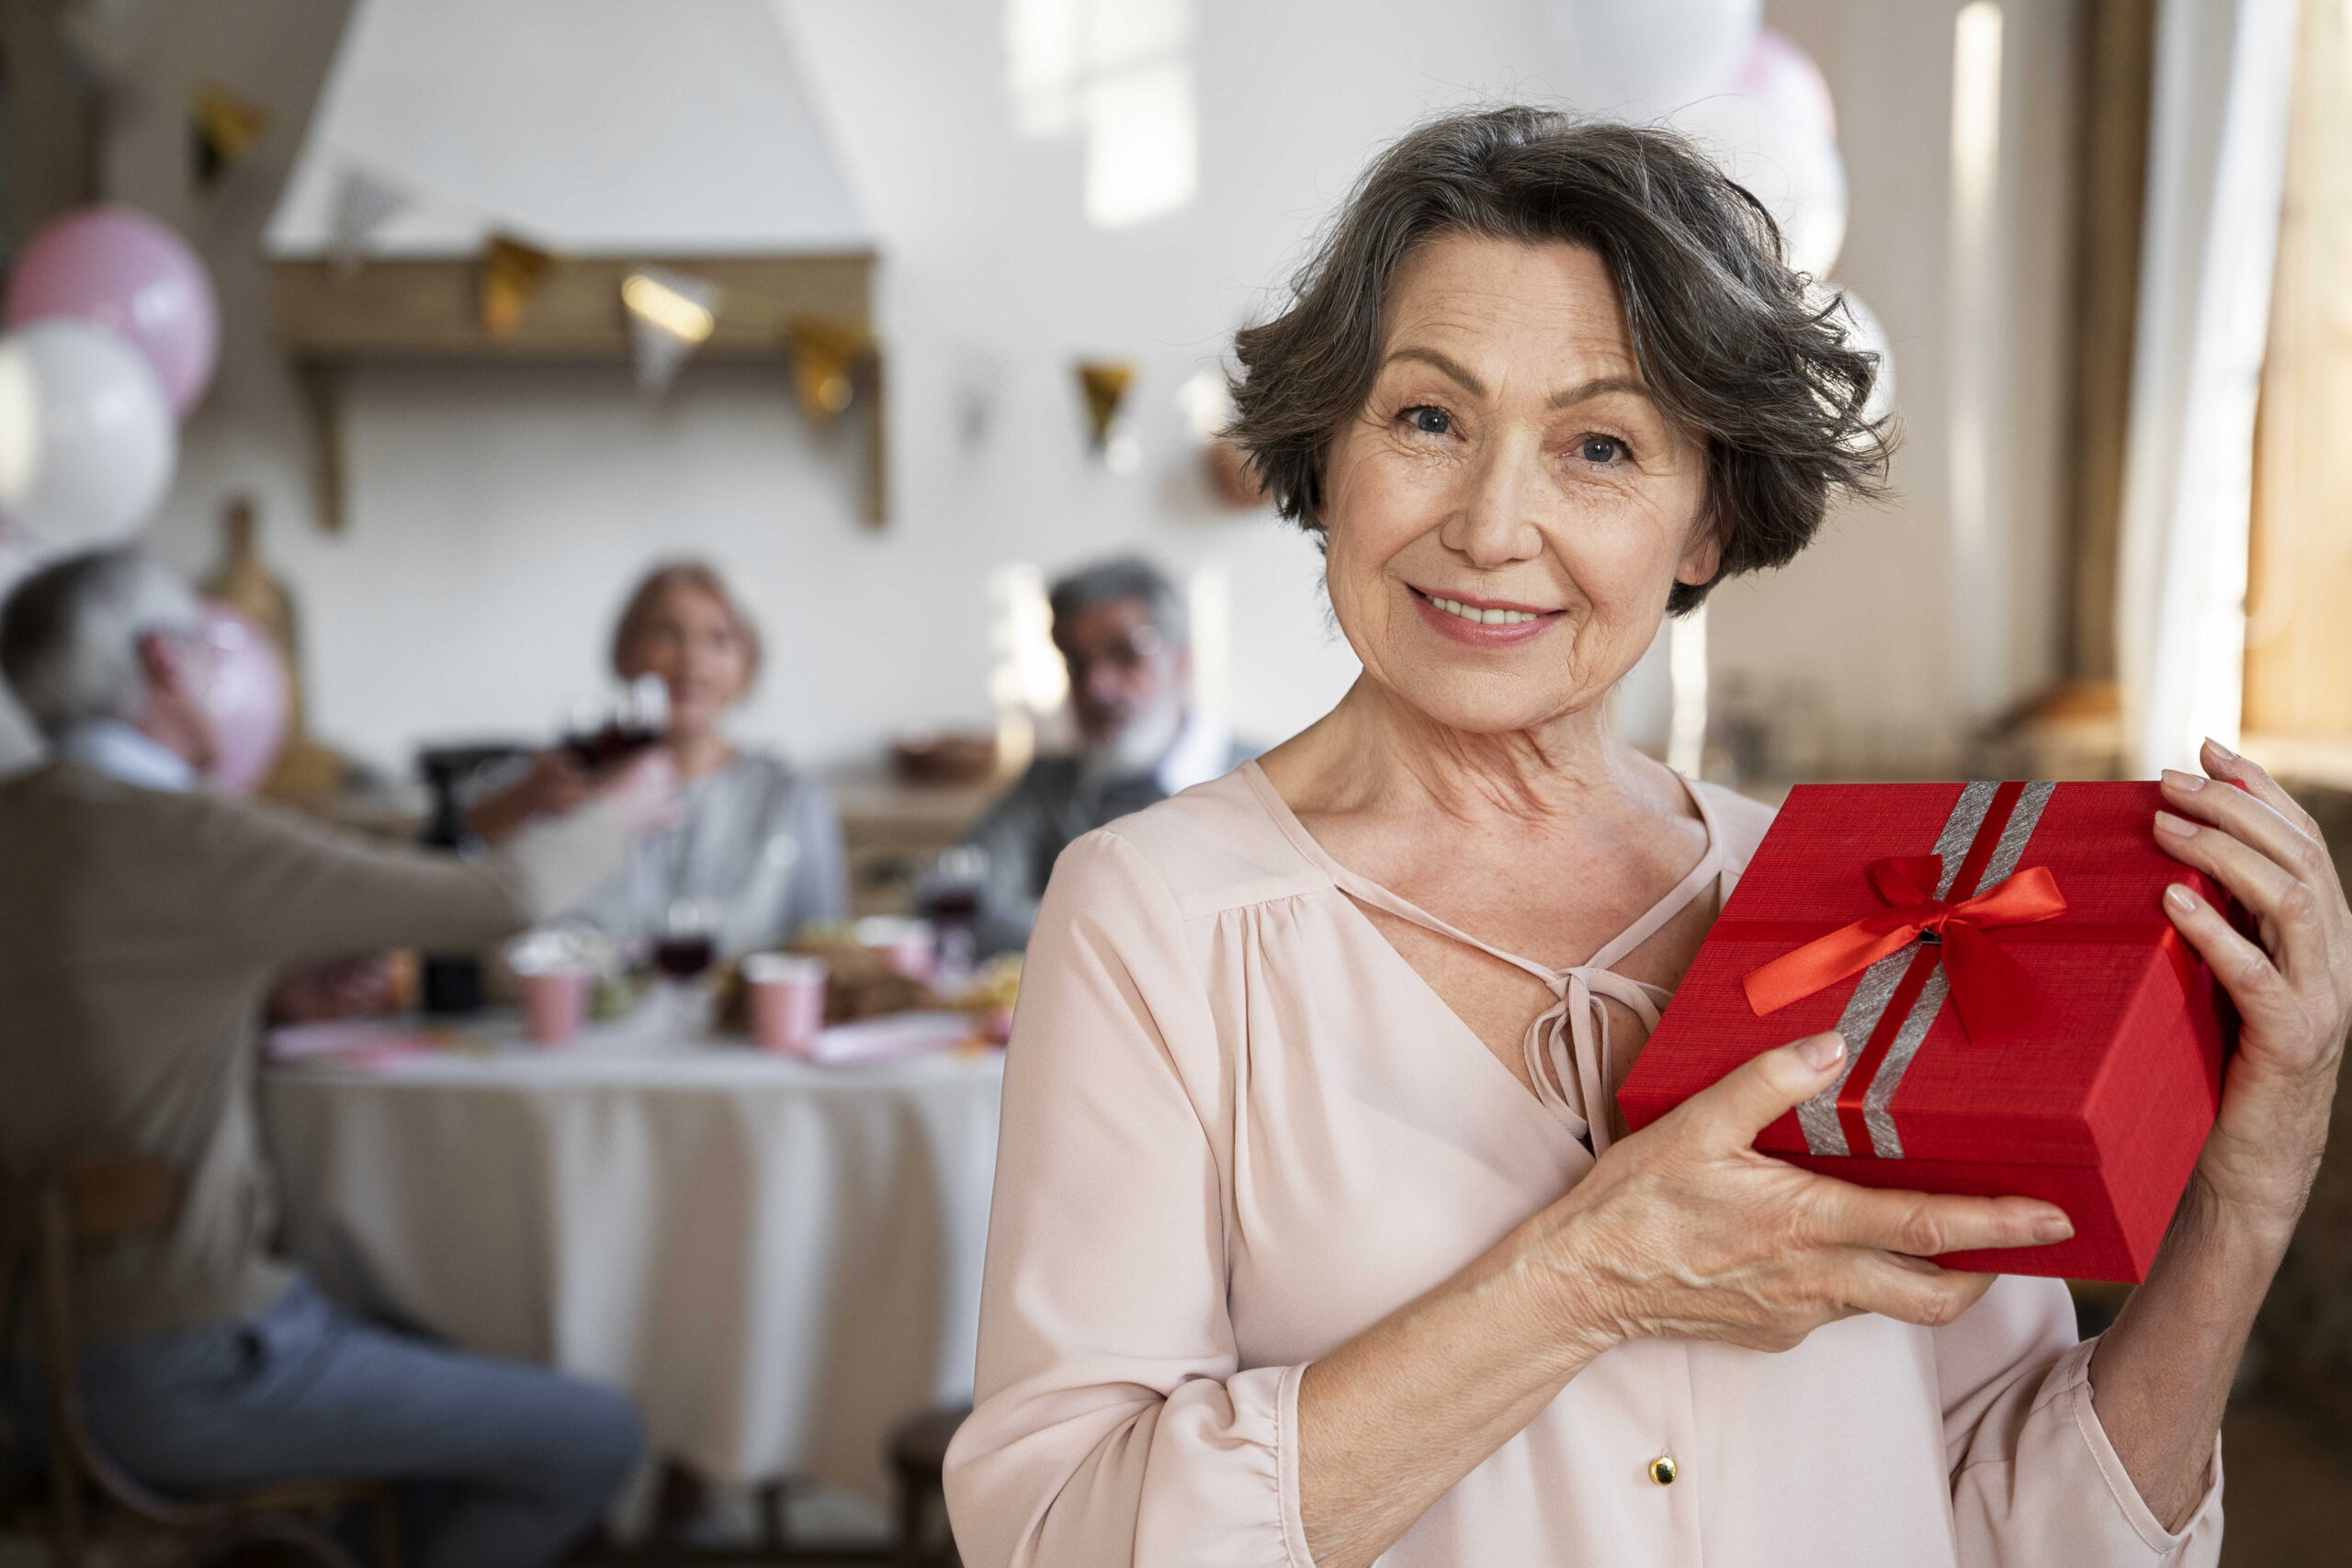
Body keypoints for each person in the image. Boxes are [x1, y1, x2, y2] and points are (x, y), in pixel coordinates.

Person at [943, 109, 2350, 1566]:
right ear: (1329, 448)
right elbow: (1061, 1534)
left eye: (1599, 445)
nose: (1491, 524)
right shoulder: (1157, 913)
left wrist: (2251, 1192)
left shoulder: (1877, 903)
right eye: (1427, 417)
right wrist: (1590, 1278)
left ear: (1707, 524)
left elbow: (2019, 1519)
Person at [0, 547, 678, 1568]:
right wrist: (619, 813)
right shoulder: (182, 835)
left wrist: (267, 998)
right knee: (594, 1436)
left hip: (22, 1374)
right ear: (163, 664)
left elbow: (75, 1014)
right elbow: (489, 906)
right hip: (180, 1368)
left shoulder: (26, 821)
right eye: (202, 644)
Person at [549, 559, 848, 958]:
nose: (693, 662)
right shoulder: (564, 785)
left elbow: (827, 950)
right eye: (667, 634)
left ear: (747, 669)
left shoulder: (791, 799)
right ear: (625, 652)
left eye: (720, 639)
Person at [961, 555, 1255, 949]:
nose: (1097, 687)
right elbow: (963, 901)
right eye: (1077, 664)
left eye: (1125, 654)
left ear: (1182, 661)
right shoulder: (1048, 784)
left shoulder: (1269, 781)